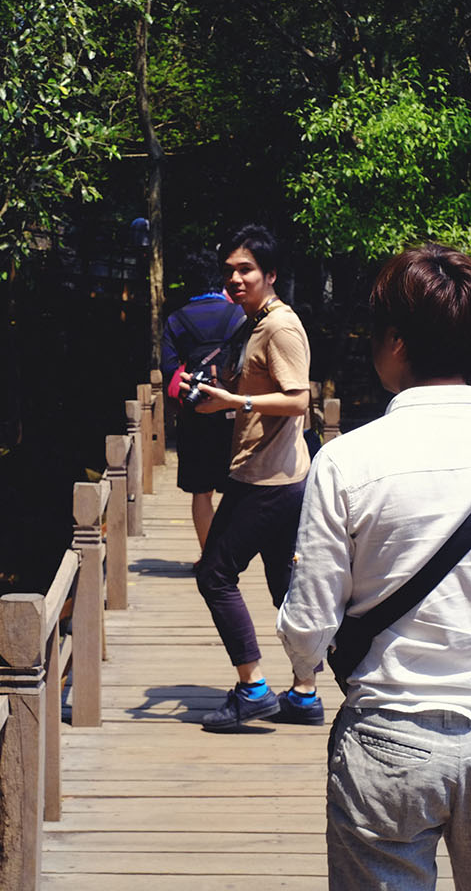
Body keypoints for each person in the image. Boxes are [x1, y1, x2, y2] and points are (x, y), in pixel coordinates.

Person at [276, 243, 471, 891]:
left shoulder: (346, 462)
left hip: (389, 739)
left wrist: (304, 667)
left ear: (397, 341)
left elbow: (308, 627)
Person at [180, 224, 322, 732]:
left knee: (214, 574)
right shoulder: (254, 322)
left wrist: (236, 401)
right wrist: (214, 392)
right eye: (230, 271)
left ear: (271, 274)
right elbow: (258, 384)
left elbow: (298, 399)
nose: (236, 279)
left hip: (266, 479)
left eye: (247, 270)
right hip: (277, 476)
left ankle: (253, 688)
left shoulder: (279, 327)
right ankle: (304, 693)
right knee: (285, 585)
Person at [160, 251, 248, 551]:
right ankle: (230, 555)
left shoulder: (176, 320)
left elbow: (168, 369)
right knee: (237, 487)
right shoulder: (240, 314)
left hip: (195, 411)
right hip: (234, 408)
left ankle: (208, 556)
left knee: (201, 490)